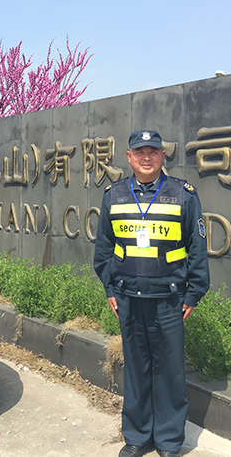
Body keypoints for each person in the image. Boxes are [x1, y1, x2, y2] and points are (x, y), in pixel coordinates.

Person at [94, 130, 210, 457]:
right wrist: (110, 287)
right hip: (128, 298)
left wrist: (194, 293)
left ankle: (169, 441)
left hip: (170, 299)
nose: (147, 157)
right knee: (136, 369)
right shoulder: (114, 195)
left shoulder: (183, 194)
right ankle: (137, 436)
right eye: (140, 152)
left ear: (163, 156)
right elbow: (103, 250)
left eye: (153, 151)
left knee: (170, 371)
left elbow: (197, 248)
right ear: (129, 157)